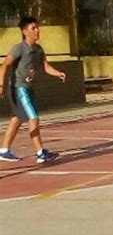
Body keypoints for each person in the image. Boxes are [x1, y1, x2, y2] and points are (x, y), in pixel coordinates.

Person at [0, 16, 66, 163]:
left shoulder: (38, 49)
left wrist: (58, 73)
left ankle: (4, 150)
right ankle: (40, 152)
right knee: (33, 117)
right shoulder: (19, 48)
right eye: (33, 28)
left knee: (16, 119)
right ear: (24, 31)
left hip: (28, 88)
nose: (37, 30)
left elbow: (46, 66)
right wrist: (1, 85)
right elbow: (4, 65)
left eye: (37, 27)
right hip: (19, 88)